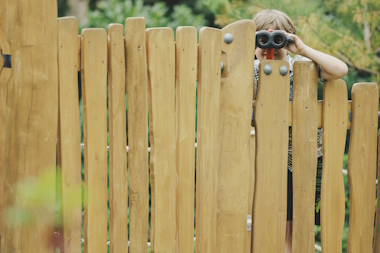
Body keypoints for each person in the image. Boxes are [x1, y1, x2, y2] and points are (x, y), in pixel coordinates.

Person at [252, 9, 348, 253]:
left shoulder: (302, 67)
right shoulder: (248, 70)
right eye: (261, 39)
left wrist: (303, 50)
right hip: (266, 157)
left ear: (290, 40)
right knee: (270, 218)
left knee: (300, 221)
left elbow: (339, 70)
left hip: (305, 157)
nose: (270, 46)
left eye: (279, 38)